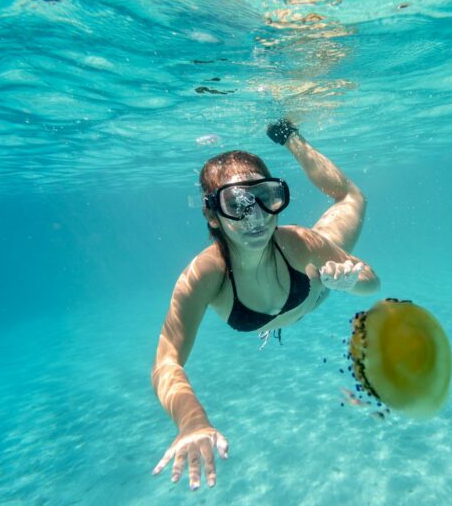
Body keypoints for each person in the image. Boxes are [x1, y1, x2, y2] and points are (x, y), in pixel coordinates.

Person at [150, 119, 380, 491]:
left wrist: (350, 281)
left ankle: (291, 136)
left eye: (266, 197)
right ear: (212, 214)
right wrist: (191, 421)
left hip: (318, 285)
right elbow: (166, 361)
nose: (255, 216)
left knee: (352, 198)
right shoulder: (205, 275)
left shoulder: (302, 242)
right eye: (237, 204)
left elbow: (372, 281)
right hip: (296, 288)